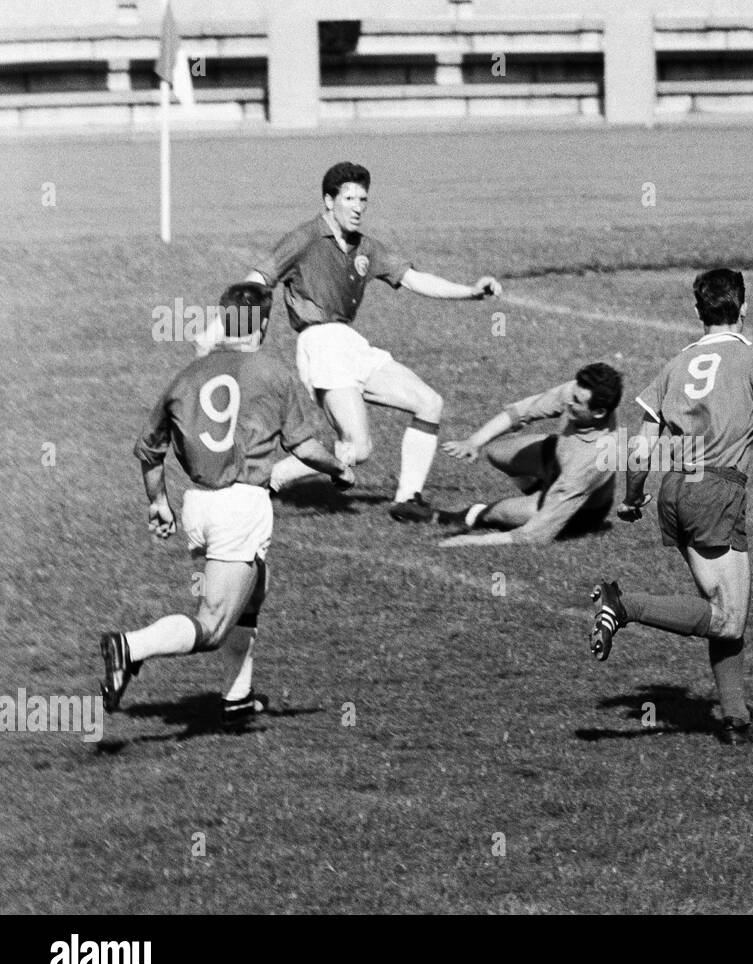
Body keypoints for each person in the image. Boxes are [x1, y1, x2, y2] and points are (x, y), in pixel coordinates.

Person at [588, 269, 753, 745]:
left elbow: (640, 452)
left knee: (727, 611)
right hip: (716, 493)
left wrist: (633, 498)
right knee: (726, 617)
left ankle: (737, 721)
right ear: (743, 307)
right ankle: (623, 604)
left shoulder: (672, 368)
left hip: (674, 491)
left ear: (697, 310)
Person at [100, 282, 352, 727]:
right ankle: (130, 646)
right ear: (264, 324)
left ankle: (237, 697)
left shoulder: (187, 376)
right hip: (241, 505)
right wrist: (339, 470)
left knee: (254, 587)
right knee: (214, 624)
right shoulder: (271, 372)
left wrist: (158, 502)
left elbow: (149, 450)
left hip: (199, 505)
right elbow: (306, 448)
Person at [219, 161, 502, 522]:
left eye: (363, 199)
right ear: (328, 201)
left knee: (429, 403)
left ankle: (407, 501)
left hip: (351, 344)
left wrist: (471, 292)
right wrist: (227, 329)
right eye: (349, 198)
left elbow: (415, 279)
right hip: (321, 343)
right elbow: (258, 279)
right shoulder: (305, 238)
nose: (357, 206)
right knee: (359, 447)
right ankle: (267, 479)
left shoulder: (367, 247)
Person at [437, 363, 623, 547]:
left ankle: (472, 515)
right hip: (561, 457)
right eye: (572, 394)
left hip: (580, 506)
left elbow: (535, 536)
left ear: (599, 413)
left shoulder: (592, 461)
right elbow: (522, 411)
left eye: (577, 402)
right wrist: (474, 442)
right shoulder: (577, 393)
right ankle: (538, 492)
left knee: (497, 513)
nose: (568, 402)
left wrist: (471, 541)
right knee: (496, 452)